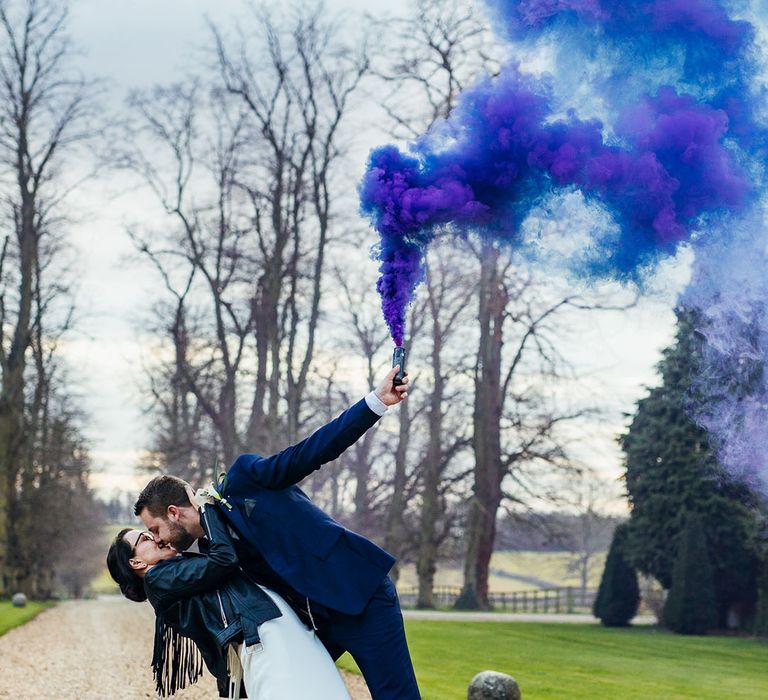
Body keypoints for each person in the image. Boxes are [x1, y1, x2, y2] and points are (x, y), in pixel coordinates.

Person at [136, 364, 420, 700]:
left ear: (173, 512)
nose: (158, 539)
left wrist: (376, 402)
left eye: (154, 529)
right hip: (313, 626)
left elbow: (311, 452)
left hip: (359, 596)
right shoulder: (215, 550)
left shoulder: (244, 480)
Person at [107, 499, 351, 699]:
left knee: (318, 687)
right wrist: (205, 509)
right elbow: (224, 559)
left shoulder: (174, 572)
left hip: (271, 624)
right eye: (146, 537)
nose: (157, 538)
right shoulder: (157, 579)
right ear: (136, 562)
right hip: (263, 633)